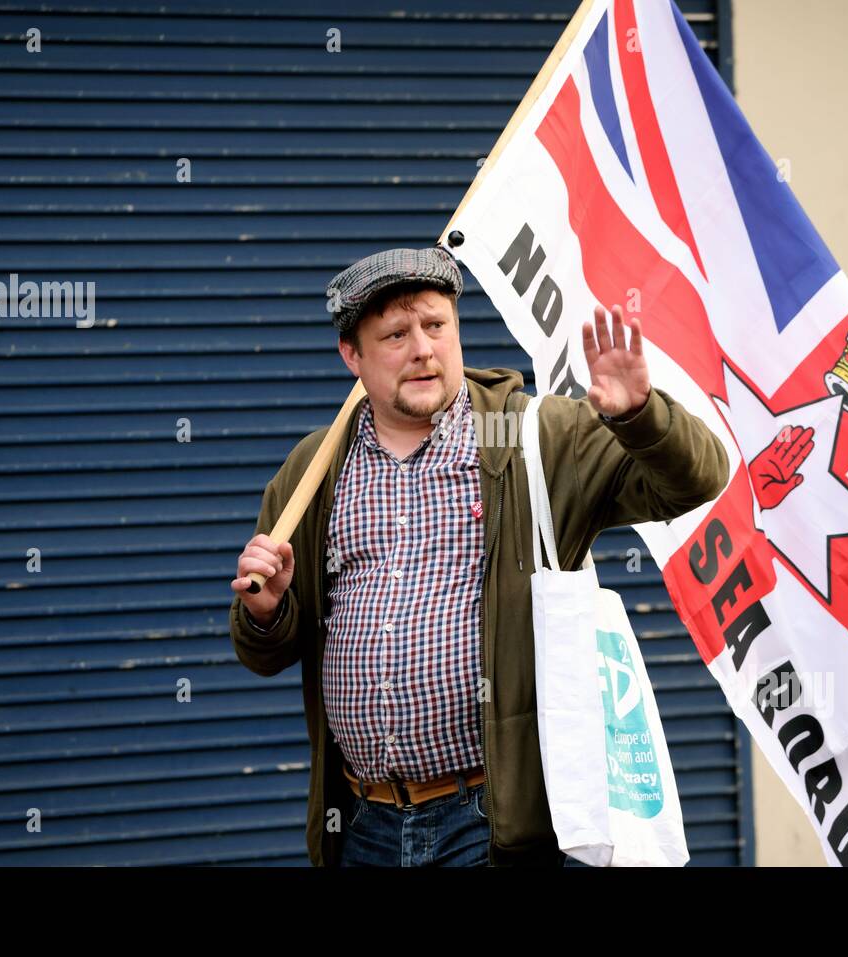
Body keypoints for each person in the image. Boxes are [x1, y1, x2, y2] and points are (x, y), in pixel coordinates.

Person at [228, 245, 729, 866]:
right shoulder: (313, 471)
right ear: (351, 356)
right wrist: (267, 612)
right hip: (360, 823)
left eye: (436, 325)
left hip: (486, 824)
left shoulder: (537, 438)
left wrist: (641, 417)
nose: (423, 349)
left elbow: (697, 481)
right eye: (395, 335)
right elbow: (264, 652)